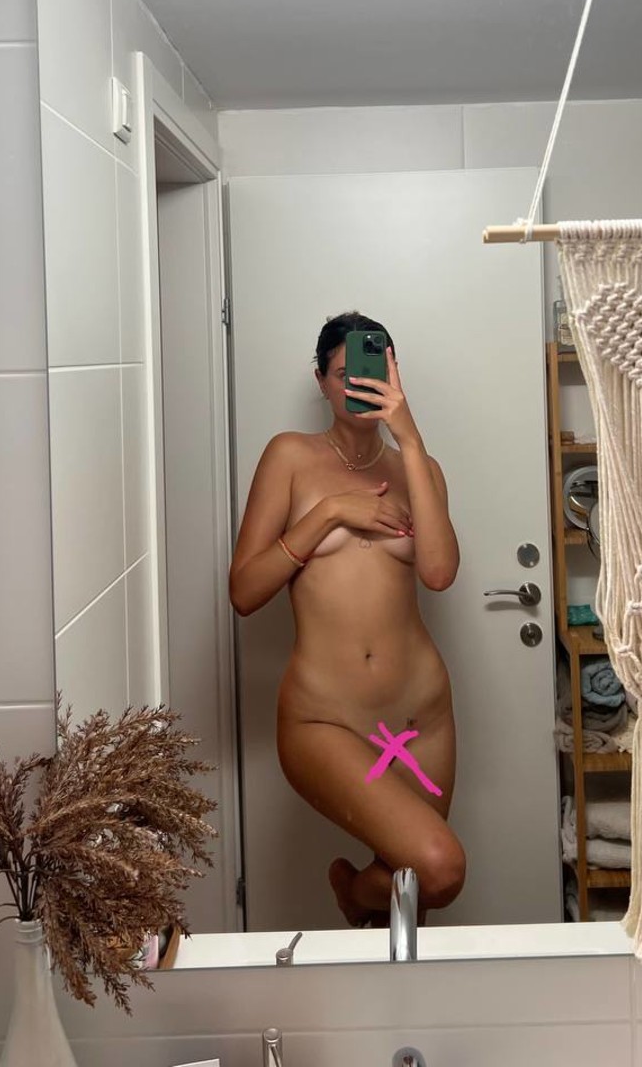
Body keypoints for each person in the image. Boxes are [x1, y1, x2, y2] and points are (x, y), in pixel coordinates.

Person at [229, 311, 465, 926]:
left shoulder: (420, 469)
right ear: (322, 381)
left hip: (421, 717)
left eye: (374, 373)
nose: (359, 386)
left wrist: (410, 439)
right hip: (324, 718)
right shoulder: (289, 456)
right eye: (344, 375)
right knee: (440, 866)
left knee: (411, 896)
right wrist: (330, 513)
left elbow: (439, 573)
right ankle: (355, 894)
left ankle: (361, 904)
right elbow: (245, 591)